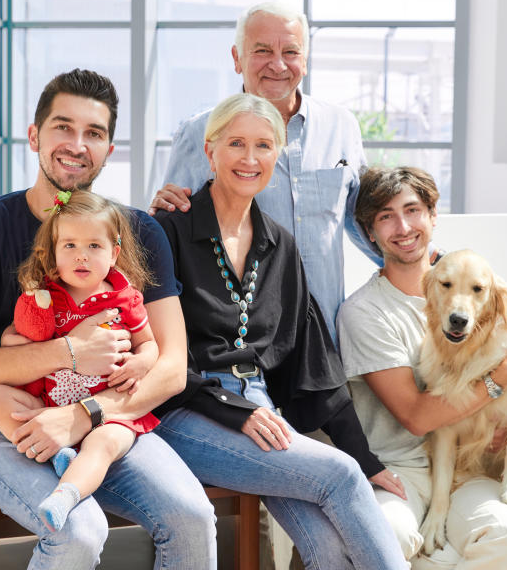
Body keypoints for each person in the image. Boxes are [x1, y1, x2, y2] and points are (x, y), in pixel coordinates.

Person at [0, 69, 217, 569]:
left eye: (95, 133)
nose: (77, 144)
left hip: (107, 418)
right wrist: (70, 351)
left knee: (193, 516)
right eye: (63, 127)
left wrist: (86, 415)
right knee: (77, 530)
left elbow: (170, 367)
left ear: (109, 149)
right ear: (34, 135)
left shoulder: (138, 231)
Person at [152, 92, 409, 570]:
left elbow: (313, 361)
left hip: (262, 410)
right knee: (340, 475)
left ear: (277, 154)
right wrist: (236, 411)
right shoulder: (166, 233)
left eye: (264, 146)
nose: (250, 159)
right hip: (184, 410)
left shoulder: (278, 245)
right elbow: (153, 353)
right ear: (210, 151)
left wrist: (368, 456)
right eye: (236, 144)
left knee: (329, 550)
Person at [336, 166, 507, 568]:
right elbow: (418, 418)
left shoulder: (476, 280)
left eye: (413, 210)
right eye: (385, 217)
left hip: (471, 465)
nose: (403, 226)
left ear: (433, 216)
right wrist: (501, 379)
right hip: (406, 468)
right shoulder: (364, 312)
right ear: (369, 233)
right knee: (383, 538)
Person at [149, 1, 379, 340]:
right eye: (262, 50)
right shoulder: (200, 132)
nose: (277, 64)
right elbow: (172, 230)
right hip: (243, 338)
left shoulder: (341, 126)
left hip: (326, 335)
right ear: (236, 57)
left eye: (290, 51)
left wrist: (422, 265)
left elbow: (364, 221)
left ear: (305, 59)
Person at [0, 189, 162, 533]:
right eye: (70, 246)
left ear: (114, 253)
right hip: (48, 406)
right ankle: (56, 454)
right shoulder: (47, 297)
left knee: (103, 444)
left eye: (94, 246)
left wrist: (140, 364)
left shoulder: (124, 299)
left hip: (107, 411)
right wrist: (12, 340)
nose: (82, 256)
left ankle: (65, 495)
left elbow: (149, 345)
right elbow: (14, 337)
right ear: (52, 255)